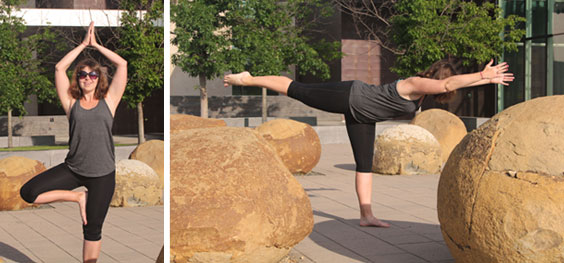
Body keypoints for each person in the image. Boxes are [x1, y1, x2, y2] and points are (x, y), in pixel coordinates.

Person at [223, 59, 513, 228]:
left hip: (362, 116)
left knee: (364, 164)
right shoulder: (415, 83)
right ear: (440, 77)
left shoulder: (424, 97)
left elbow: (450, 85)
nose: (451, 86)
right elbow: (448, 86)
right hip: (351, 96)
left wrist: (484, 81)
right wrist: (484, 76)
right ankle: (249, 80)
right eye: (450, 81)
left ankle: (366, 215)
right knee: (296, 89)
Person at [20, 21, 127, 262]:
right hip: (74, 169)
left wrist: (96, 45)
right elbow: (59, 68)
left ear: (98, 78)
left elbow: (122, 64)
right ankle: (78, 197)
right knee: (29, 192)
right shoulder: (72, 104)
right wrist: (81, 45)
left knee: (92, 230)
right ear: (77, 79)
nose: (87, 78)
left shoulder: (109, 101)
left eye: (92, 74)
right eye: (82, 74)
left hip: (102, 174)